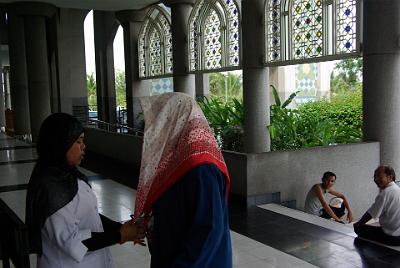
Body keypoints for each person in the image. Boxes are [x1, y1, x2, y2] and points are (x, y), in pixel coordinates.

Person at [26, 113, 145, 268]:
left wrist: (119, 228)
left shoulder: (68, 175)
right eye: (78, 141)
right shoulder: (51, 188)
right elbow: (72, 241)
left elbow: (88, 214)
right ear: (60, 144)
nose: (83, 146)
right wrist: (119, 235)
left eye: (83, 141)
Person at [131, 92, 232, 268]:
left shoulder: (201, 168)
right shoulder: (176, 161)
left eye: (160, 121)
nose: (154, 129)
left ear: (174, 122)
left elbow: (209, 230)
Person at [354, 165, 400, 246]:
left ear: (390, 177)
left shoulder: (385, 193)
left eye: (379, 176)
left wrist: (358, 223)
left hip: (393, 238)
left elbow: (371, 213)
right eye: (374, 176)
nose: (376, 179)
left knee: (359, 228)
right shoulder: (397, 189)